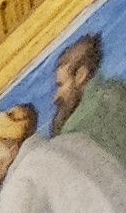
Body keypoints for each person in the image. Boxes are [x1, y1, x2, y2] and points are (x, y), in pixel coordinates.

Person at [51, 34, 126, 169]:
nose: (56, 96)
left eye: (61, 85)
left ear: (81, 75)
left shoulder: (74, 129)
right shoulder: (117, 88)